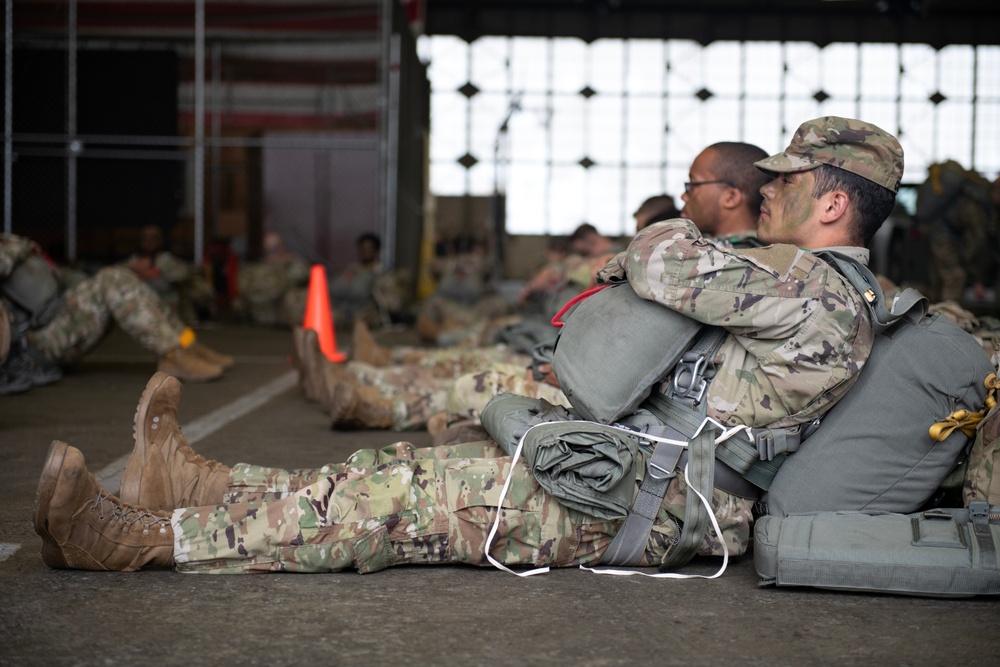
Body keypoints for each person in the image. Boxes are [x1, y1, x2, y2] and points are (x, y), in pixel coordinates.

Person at [34, 115, 899, 574]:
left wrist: (661, 239)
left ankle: (144, 541)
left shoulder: (824, 300)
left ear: (833, 204)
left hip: (659, 497)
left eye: (790, 178)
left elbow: (669, 264)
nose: (772, 188)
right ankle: (195, 486)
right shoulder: (791, 276)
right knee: (394, 471)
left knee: (398, 505)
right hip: (632, 459)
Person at [0, 233, 233, 393]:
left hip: (55, 320)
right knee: (112, 279)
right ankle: (172, 354)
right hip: (35, 344)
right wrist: (18, 245)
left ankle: (186, 345)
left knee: (120, 276)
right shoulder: (12, 246)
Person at [679, 141, 771, 246]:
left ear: (731, 198)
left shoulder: (713, 259)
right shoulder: (767, 255)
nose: (684, 196)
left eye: (693, 185)